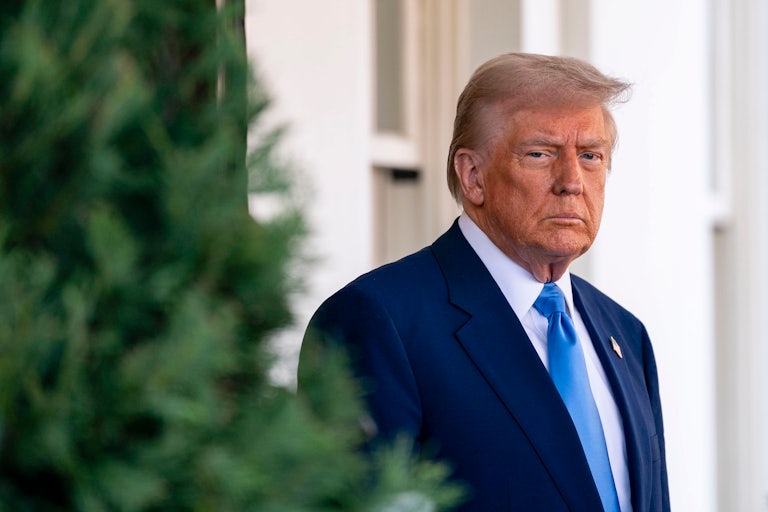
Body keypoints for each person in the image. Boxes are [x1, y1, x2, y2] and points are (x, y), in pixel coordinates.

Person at [299, 52, 669, 511]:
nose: (572, 181)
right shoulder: (377, 321)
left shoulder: (626, 335)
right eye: (540, 153)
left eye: (591, 156)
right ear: (472, 176)